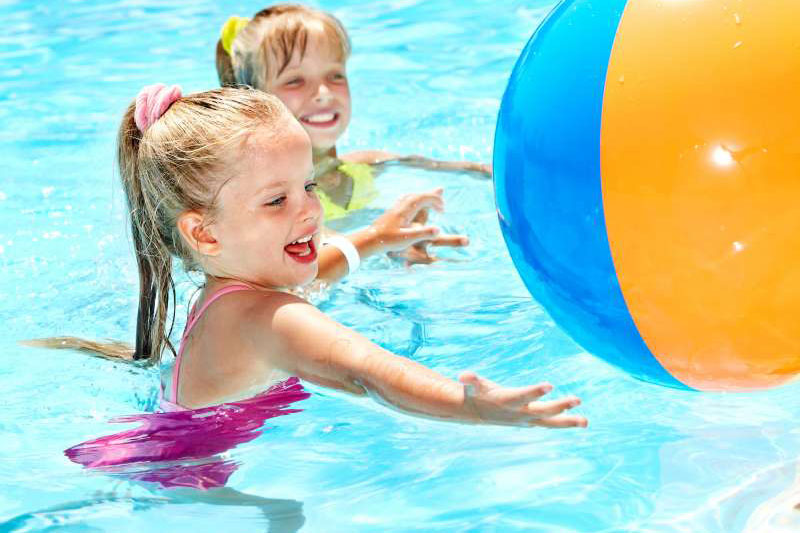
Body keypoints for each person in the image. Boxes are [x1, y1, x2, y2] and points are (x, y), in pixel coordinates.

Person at [28, 84, 586, 430]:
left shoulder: (228, 288)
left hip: (177, 450)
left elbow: (309, 275)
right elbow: (369, 371)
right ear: (206, 234)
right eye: (277, 200)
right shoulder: (271, 318)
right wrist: (466, 406)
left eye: (310, 187)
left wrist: (374, 238)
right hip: (204, 487)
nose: (309, 213)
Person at [216, 4, 488, 263]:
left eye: (335, 75)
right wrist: (382, 241)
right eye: (295, 80)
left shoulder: (368, 164)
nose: (323, 94)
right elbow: (303, 263)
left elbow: (477, 171)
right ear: (254, 99)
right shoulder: (271, 199)